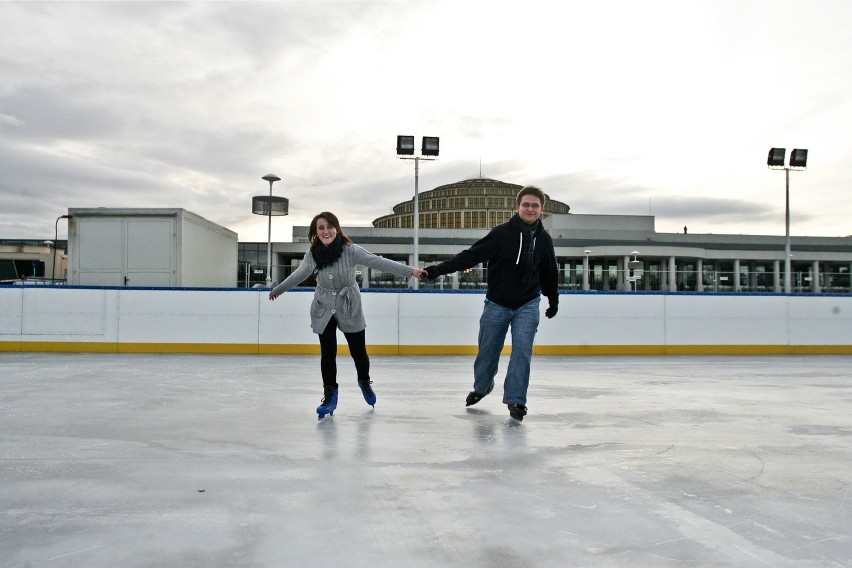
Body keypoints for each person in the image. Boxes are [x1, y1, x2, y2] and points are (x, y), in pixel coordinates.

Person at [269, 211, 427, 419]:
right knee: (328, 353)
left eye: (329, 227)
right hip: (323, 305)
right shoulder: (312, 255)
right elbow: (299, 274)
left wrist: (411, 271)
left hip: (349, 304)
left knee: (358, 352)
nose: (326, 231)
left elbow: (379, 262)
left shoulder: (351, 251)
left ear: (337, 228)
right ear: (315, 232)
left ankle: (364, 381)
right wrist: (278, 289)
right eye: (321, 228)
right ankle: (330, 396)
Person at [424, 186, 559, 421]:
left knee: (522, 351)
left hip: (528, 303)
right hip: (497, 303)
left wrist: (553, 299)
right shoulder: (501, 234)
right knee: (487, 352)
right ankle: (482, 387)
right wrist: (436, 270)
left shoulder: (544, 240)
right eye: (526, 204)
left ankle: (516, 400)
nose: (530, 209)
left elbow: (550, 272)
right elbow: (470, 256)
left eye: (535, 205)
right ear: (517, 207)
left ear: (541, 209)